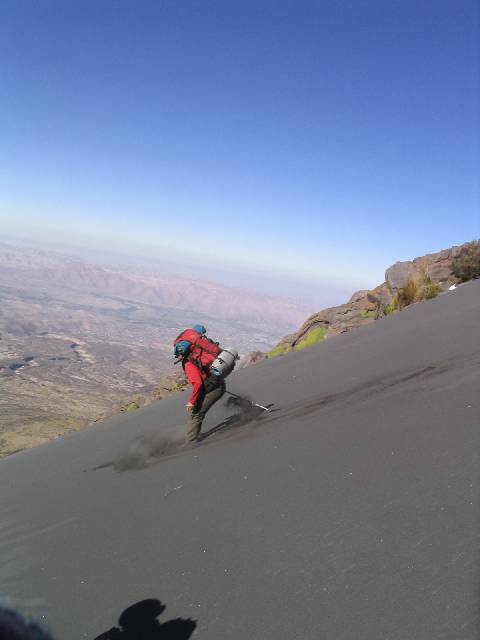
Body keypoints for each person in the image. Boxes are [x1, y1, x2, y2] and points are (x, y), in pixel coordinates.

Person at [174, 325, 226, 443]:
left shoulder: (188, 363)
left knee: (196, 414)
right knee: (198, 412)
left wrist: (192, 401)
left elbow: (197, 383)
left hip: (212, 388)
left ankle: (190, 442)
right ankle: (239, 404)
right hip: (217, 383)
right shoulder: (200, 351)